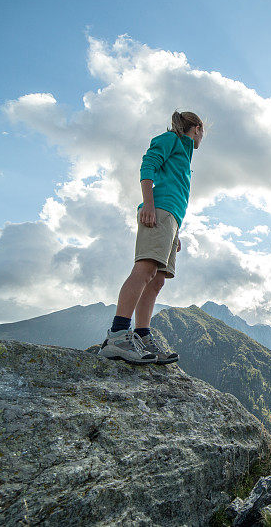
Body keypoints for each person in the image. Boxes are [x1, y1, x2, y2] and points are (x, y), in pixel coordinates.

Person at [98, 110, 204, 364]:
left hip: (170, 219)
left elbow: (174, 190)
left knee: (157, 281)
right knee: (144, 270)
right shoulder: (170, 140)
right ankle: (117, 335)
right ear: (197, 129)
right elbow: (148, 166)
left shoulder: (184, 154)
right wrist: (148, 204)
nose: (202, 139)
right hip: (158, 211)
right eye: (203, 134)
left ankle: (142, 335)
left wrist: (175, 231)